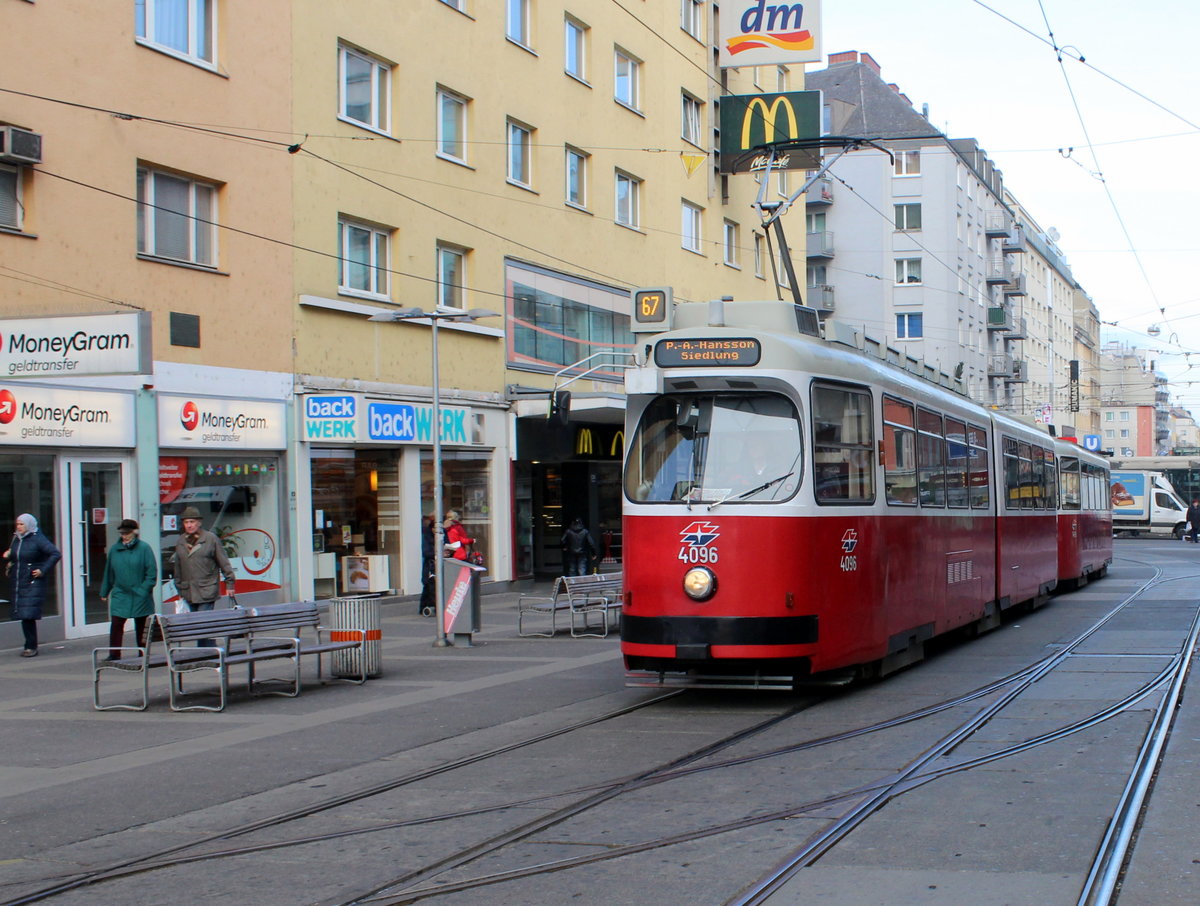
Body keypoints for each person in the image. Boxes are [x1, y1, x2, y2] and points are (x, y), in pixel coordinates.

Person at [172, 506, 237, 647]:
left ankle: (203, 652)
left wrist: (230, 583)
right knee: (197, 623)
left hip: (206, 589)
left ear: (199, 522)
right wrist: (179, 587)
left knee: (202, 622)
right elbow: (177, 567)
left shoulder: (210, 539)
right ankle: (209, 649)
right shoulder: (181, 542)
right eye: (186, 522)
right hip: (188, 590)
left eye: (192, 521)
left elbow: (224, 562)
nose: (189, 525)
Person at [3, 513, 61, 658]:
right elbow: (19, 556)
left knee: (28, 614)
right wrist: (10, 555)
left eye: (22, 524)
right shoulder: (17, 539)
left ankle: (31, 646)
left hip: (32, 581)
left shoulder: (37, 539)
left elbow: (55, 554)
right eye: (17, 524)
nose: (19, 527)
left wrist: (42, 570)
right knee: (23, 614)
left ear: (28, 525)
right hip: (20, 580)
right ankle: (29, 644)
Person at [99, 518, 157, 660]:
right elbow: (109, 573)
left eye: (127, 533)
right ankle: (114, 653)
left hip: (140, 593)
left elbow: (151, 573)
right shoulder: (114, 549)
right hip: (121, 592)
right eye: (122, 533)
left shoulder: (144, 548)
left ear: (134, 533)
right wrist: (104, 591)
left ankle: (143, 652)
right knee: (117, 623)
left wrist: (144, 590)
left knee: (141, 625)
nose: (124, 536)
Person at [419, 513, 436, 616]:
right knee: (428, 585)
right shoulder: (427, 536)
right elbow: (426, 552)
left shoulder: (443, 534)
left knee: (431, 586)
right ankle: (424, 607)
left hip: (435, 564)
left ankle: (428, 606)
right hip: (430, 565)